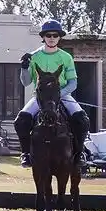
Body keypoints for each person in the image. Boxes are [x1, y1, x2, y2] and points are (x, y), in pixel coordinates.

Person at [14, 19, 90, 168]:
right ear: (43, 37)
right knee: (21, 120)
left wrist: (57, 95)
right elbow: (26, 82)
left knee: (82, 119)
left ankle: (79, 153)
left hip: (63, 94)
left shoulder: (66, 57)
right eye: (48, 35)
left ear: (59, 37)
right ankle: (26, 154)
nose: (52, 38)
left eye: (55, 35)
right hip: (40, 98)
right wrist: (24, 68)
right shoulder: (33, 57)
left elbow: (73, 83)